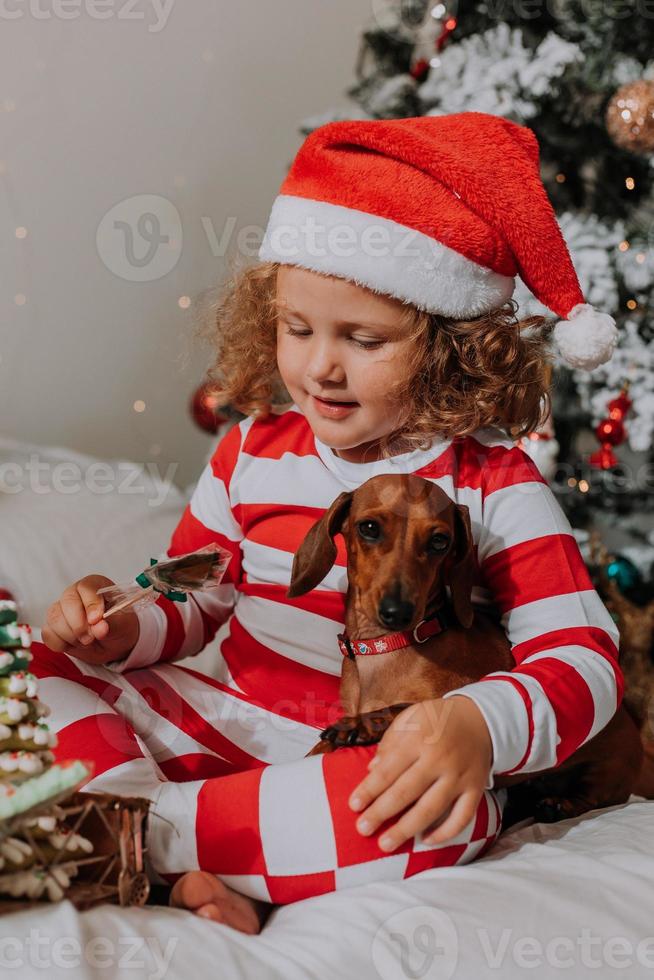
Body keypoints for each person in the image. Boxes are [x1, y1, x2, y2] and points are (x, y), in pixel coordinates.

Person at [33, 113, 622, 935]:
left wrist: (480, 724)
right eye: (297, 328)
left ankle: (114, 837)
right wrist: (111, 627)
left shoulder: (492, 482)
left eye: (364, 338)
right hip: (217, 722)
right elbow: (191, 598)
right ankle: (183, 850)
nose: (319, 366)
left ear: (450, 346)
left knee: (435, 820)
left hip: (354, 762)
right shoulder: (249, 450)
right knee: (23, 667)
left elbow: (586, 661)